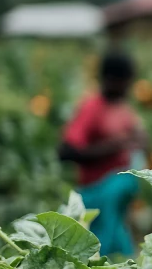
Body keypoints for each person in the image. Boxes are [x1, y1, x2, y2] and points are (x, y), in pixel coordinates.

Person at [58, 49, 146, 257]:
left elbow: (136, 141)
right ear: (112, 79)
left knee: (120, 247)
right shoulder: (91, 108)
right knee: (97, 250)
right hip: (96, 193)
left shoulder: (123, 108)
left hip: (116, 200)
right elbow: (66, 151)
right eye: (126, 81)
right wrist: (114, 146)